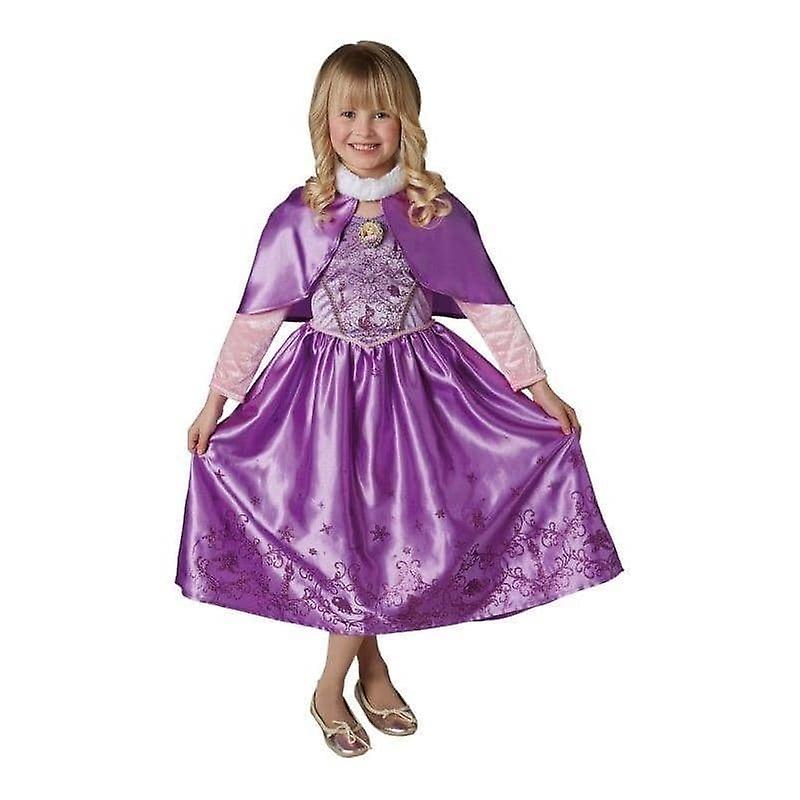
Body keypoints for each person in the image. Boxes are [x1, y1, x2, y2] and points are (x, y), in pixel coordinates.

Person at [176, 41, 624, 758]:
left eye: (381, 114)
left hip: (416, 398)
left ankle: (349, 678)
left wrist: (538, 388)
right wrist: (216, 401)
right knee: (343, 540)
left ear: (407, 122)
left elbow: (489, 308)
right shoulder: (299, 215)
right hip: (321, 401)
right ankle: (351, 677)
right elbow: (256, 316)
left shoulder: (432, 212)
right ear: (323, 122)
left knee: (384, 535)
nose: (364, 130)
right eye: (348, 114)